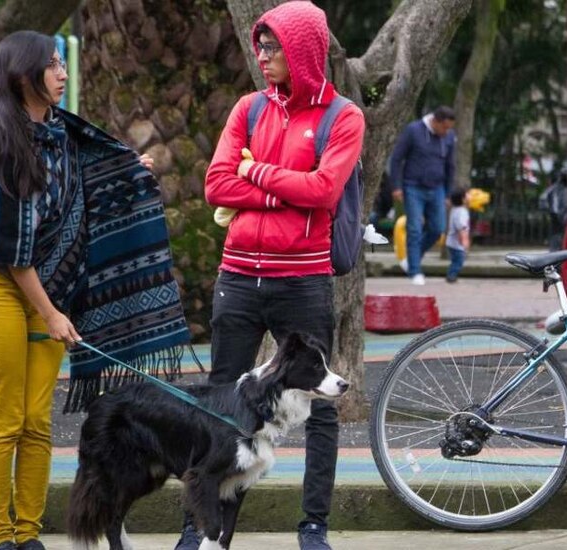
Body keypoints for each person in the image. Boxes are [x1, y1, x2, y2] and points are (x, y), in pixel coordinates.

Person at [0, 31, 187, 550]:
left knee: (37, 421)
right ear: (23, 77)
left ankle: (28, 534)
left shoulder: (60, 134)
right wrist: (54, 314)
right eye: (53, 65)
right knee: (6, 418)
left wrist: (131, 171)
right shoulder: (1, 147)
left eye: (63, 64)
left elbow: (93, 171)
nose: (63, 73)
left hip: (41, 293)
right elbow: (13, 253)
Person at [199, 2, 365, 549]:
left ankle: (313, 526)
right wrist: (281, 186)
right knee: (221, 406)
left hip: (303, 281)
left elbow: (324, 190)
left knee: (319, 408)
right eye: (260, 45)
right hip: (239, 278)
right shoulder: (248, 108)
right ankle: (204, 531)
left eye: (273, 48)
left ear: (303, 52)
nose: (262, 56)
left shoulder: (343, 117)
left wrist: (257, 172)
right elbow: (218, 184)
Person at [389, 106, 457, 285]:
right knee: (414, 228)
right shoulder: (414, 130)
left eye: (450, 128)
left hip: (437, 188)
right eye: (445, 127)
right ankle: (414, 271)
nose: (447, 132)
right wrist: (396, 186)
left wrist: (448, 193)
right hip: (413, 187)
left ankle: (412, 258)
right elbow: (397, 158)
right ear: (435, 121)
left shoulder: (448, 137)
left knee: (437, 228)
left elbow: (451, 165)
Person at [445, 188, 471, 283]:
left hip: (452, 242)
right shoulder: (461, 212)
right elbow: (461, 228)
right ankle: (451, 276)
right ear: (463, 199)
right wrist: (464, 242)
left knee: (455, 260)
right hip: (456, 243)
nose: (470, 196)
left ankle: (451, 275)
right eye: (467, 194)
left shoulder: (455, 209)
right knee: (458, 261)